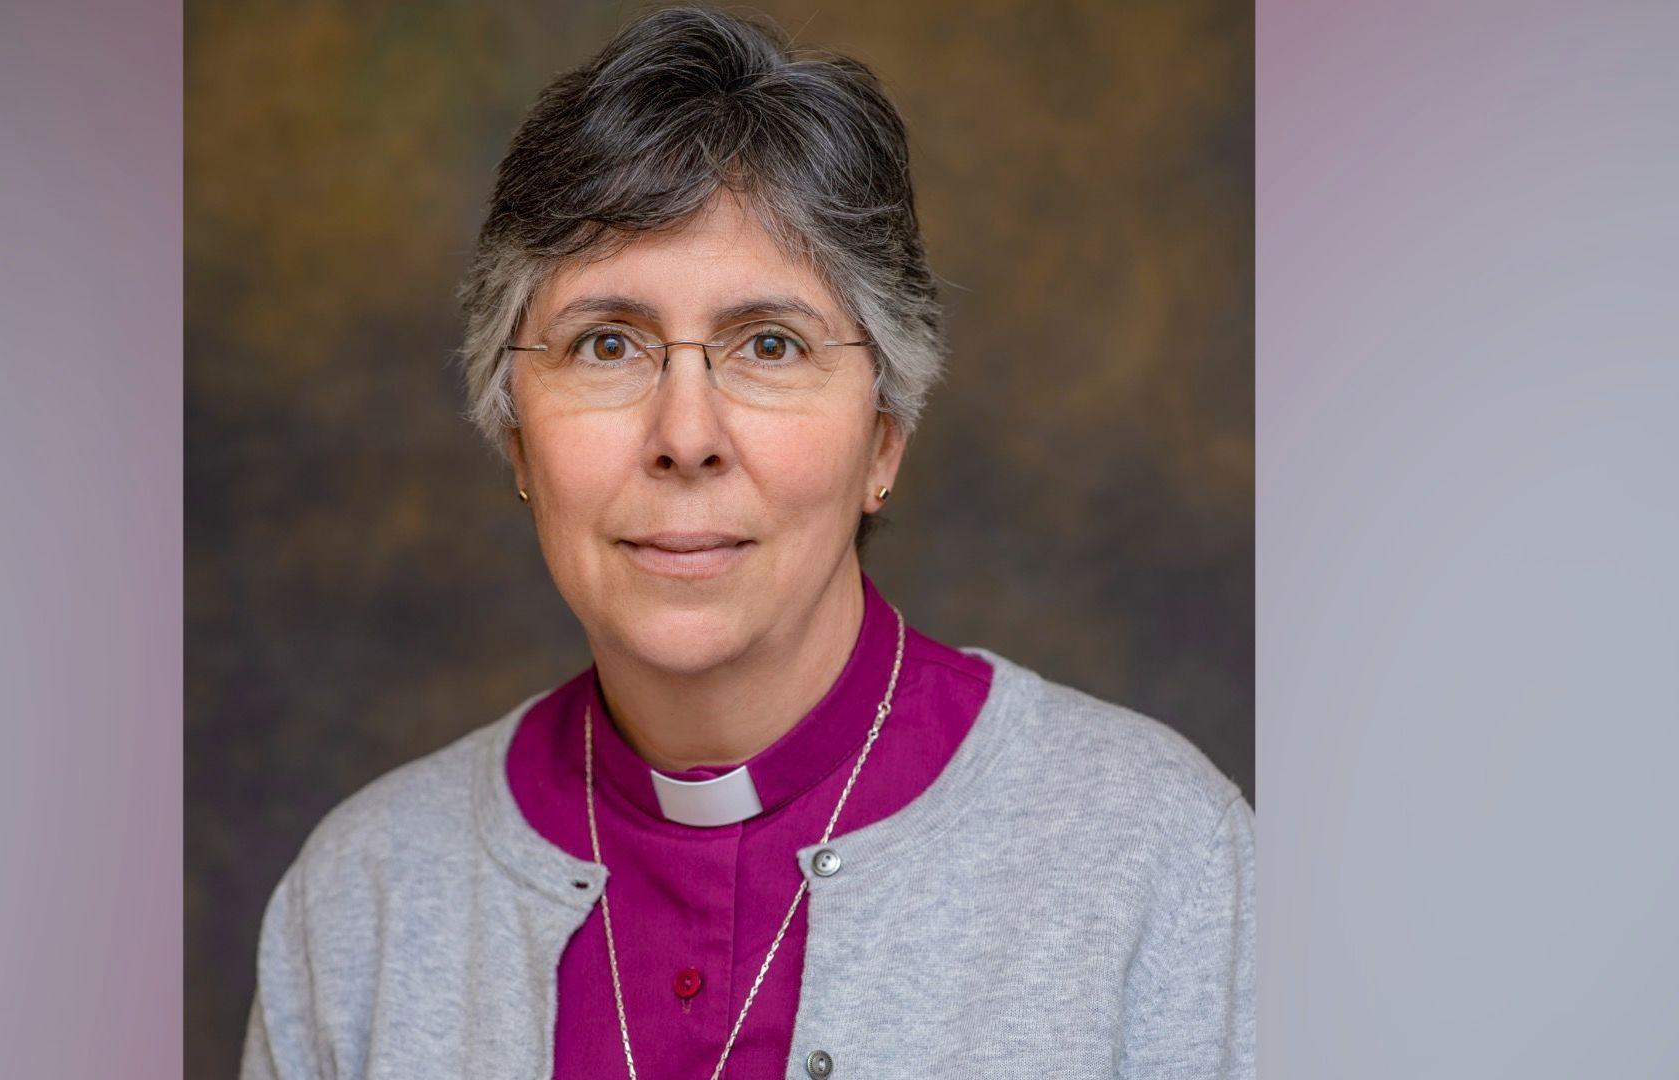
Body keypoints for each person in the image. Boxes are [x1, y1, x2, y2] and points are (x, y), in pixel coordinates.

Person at [240, 6, 1252, 1079]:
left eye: (769, 343)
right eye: (606, 344)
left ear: (884, 436)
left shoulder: (1159, 860)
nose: (686, 436)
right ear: (515, 435)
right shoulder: (362, 905)